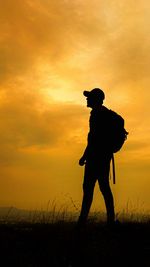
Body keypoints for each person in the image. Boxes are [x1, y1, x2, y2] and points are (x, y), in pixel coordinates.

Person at [78, 88, 115, 227]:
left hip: (96, 158)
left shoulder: (97, 115)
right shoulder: (103, 114)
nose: (87, 99)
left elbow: (93, 139)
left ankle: (82, 222)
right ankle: (110, 221)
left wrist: (84, 156)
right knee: (104, 188)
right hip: (103, 158)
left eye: (89, 97)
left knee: (89, 188)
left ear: (96, 99)